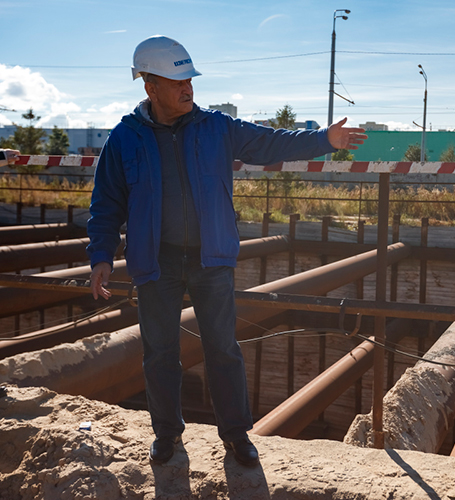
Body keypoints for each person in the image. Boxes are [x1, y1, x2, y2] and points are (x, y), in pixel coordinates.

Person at [86, 35, 366, 467]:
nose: (187, 89)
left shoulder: (217, 127)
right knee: (160, 353)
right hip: (155, 263)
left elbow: (273, 143)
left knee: (223, 350)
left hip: (210, 260)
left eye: (189, 81)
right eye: (177, 82)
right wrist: (101, 256)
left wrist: (324, 139)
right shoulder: (125, 139)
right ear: (149, 87)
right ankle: (166, 435)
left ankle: (236, 437)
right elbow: (106, 202)